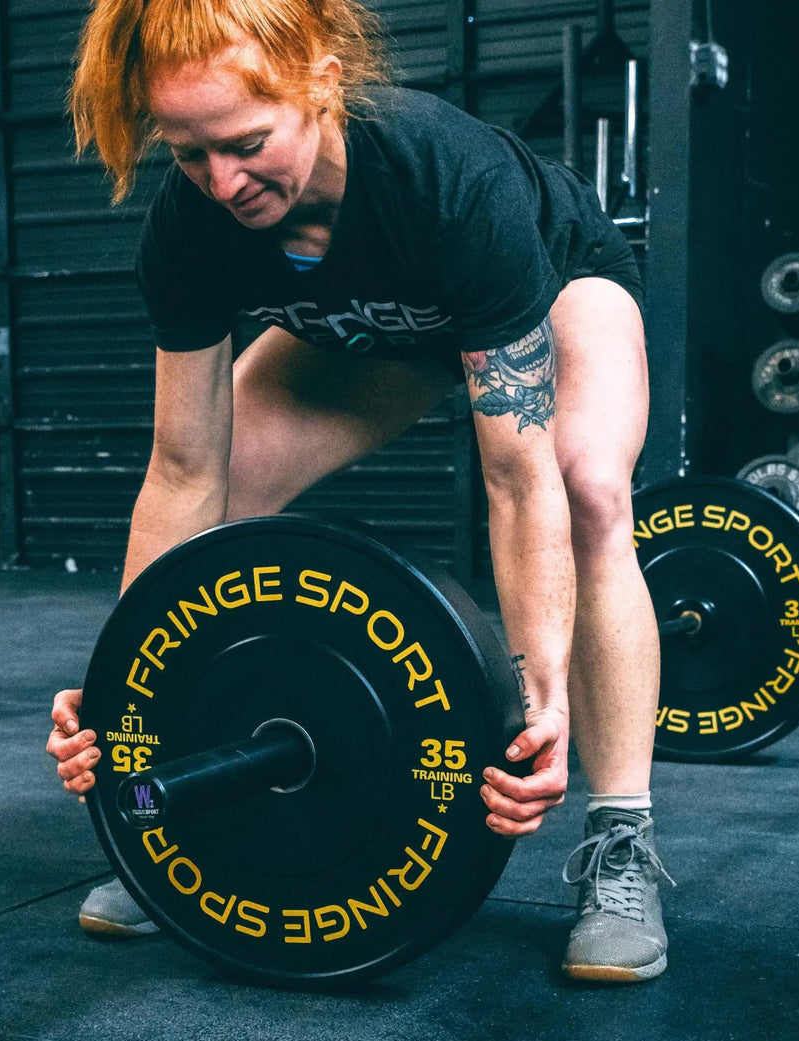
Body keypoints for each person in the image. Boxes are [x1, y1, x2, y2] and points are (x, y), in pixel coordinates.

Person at [46, 0, 671, 983]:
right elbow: (183, 471)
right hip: (370, 323)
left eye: (247, 143)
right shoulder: (192, 230)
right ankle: (180, 796)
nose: (223, 182)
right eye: (189, 155)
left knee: (583, 485)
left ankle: (622, 837)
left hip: (551, 286)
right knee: (227, 489)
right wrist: (127, 702)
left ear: (321, 84)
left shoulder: (444, 179)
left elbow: (513, 481)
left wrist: (534, 697)